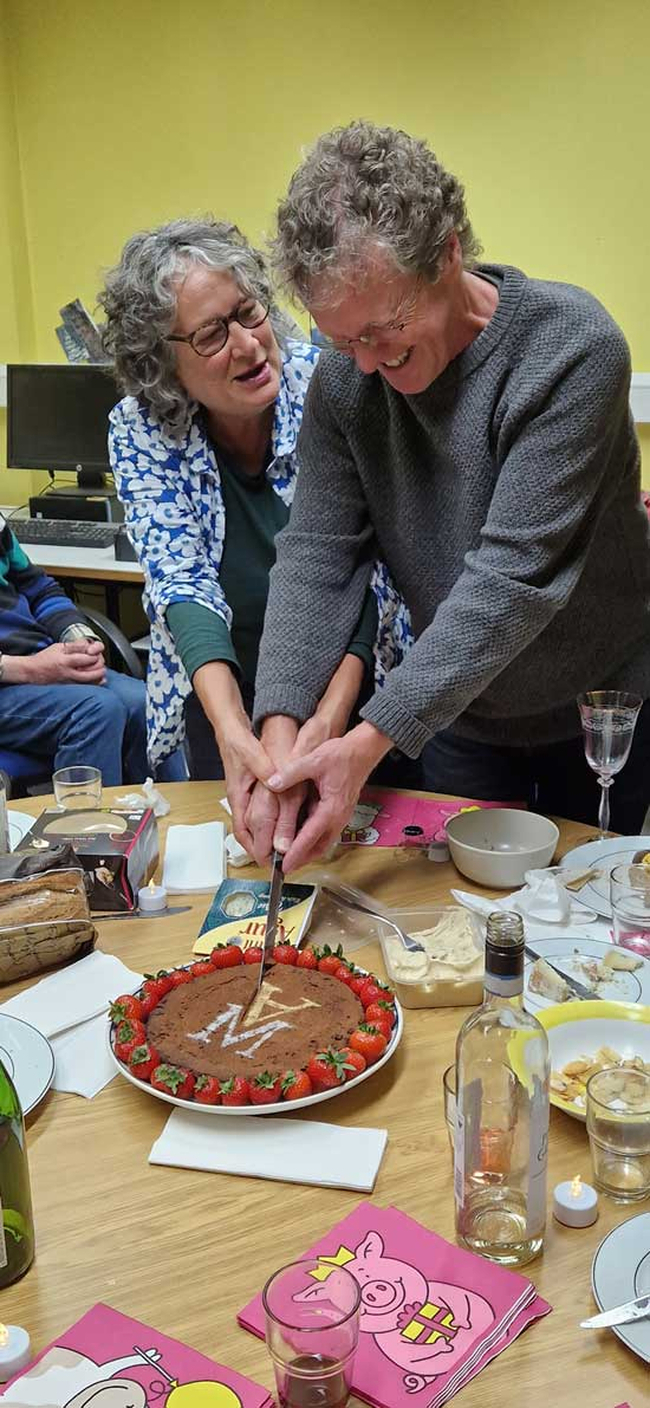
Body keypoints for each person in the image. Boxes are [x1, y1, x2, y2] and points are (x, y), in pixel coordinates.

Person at [247, 120, 650, 870]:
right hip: (462, 711)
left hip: (602, 709)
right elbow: (315, 558)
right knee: (458, 927)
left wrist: (366, 742)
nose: (367, 365)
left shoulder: (571, 351)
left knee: (580, 924)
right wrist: (281, 730)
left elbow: (511, 580)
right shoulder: (347, 383)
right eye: (342, 341)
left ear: (450, 252)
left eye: (386, 328)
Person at [100, 217, 411, 836]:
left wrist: (324, 721)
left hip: (352, 692)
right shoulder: (140, 429)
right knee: (245, 866)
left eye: (248, 312)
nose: (246, 344)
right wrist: (235, 731)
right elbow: (179, 581)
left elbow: (368, 575)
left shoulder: (333, 382)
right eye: (212, 335)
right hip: (222, 699)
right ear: (162, 362)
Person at [0, 514, 150, 785]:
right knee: (96, 711)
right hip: (10, 675)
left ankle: (171, 822)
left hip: (36, 658)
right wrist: (27, 669)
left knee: (145, 702)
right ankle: (87, 826)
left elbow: (39, 589)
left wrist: (79, 639)